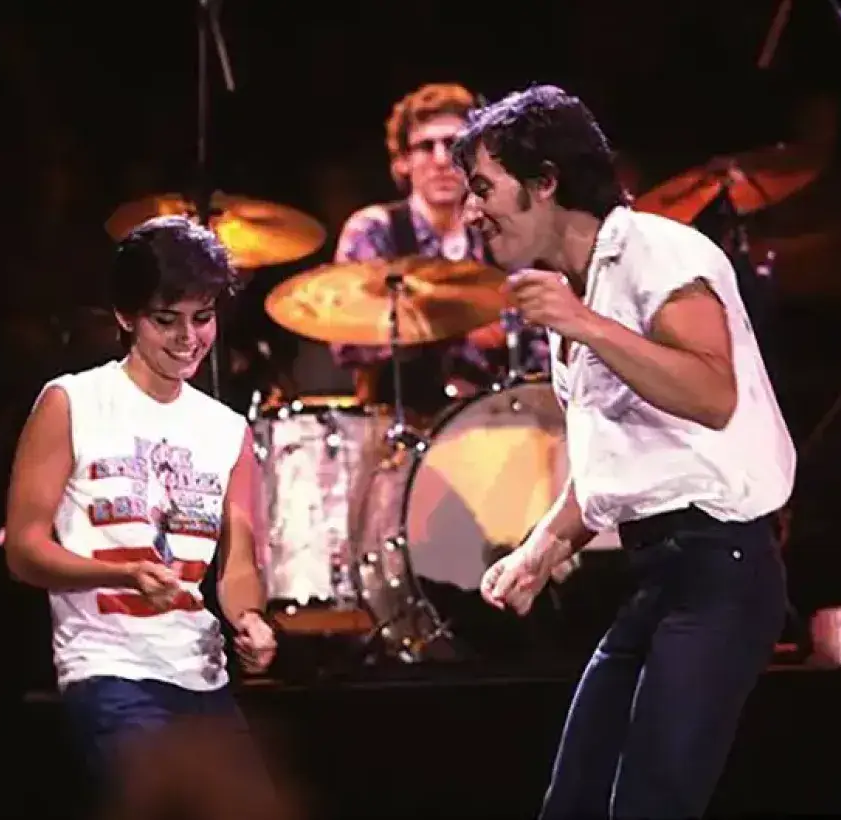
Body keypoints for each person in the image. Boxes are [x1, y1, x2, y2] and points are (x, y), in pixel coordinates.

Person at [455, 85, 794, 819]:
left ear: (546, 181)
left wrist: (585, 325)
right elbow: (617, 459)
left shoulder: (656, 247)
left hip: (720, 566)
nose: (470, 211)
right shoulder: (573, 294)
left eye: (483, 187)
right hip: (655, 573)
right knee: (573, 803)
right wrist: (540, 550)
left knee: (650, 804)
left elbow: (712, 393)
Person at [3, 215, 278, 810]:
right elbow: (24, 552)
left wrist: (251, 620)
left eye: (202, 319)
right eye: (166, 319)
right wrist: (121, 573)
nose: (188, 339)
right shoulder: (74, 401)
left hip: (202, 676)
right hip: (110, 670)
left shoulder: (227, 431)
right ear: (127, 316)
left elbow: (236, 563)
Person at [330, 82, 547, 416]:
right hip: (402, 424)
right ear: (402, 161)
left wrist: (512, 333)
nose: (441, 160)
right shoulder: (375, 230)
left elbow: (543, 343)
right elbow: (347, 344)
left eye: (454, 145)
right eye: (425, 147)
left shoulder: (501, 232)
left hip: (496, 423)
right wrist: (454, 330)